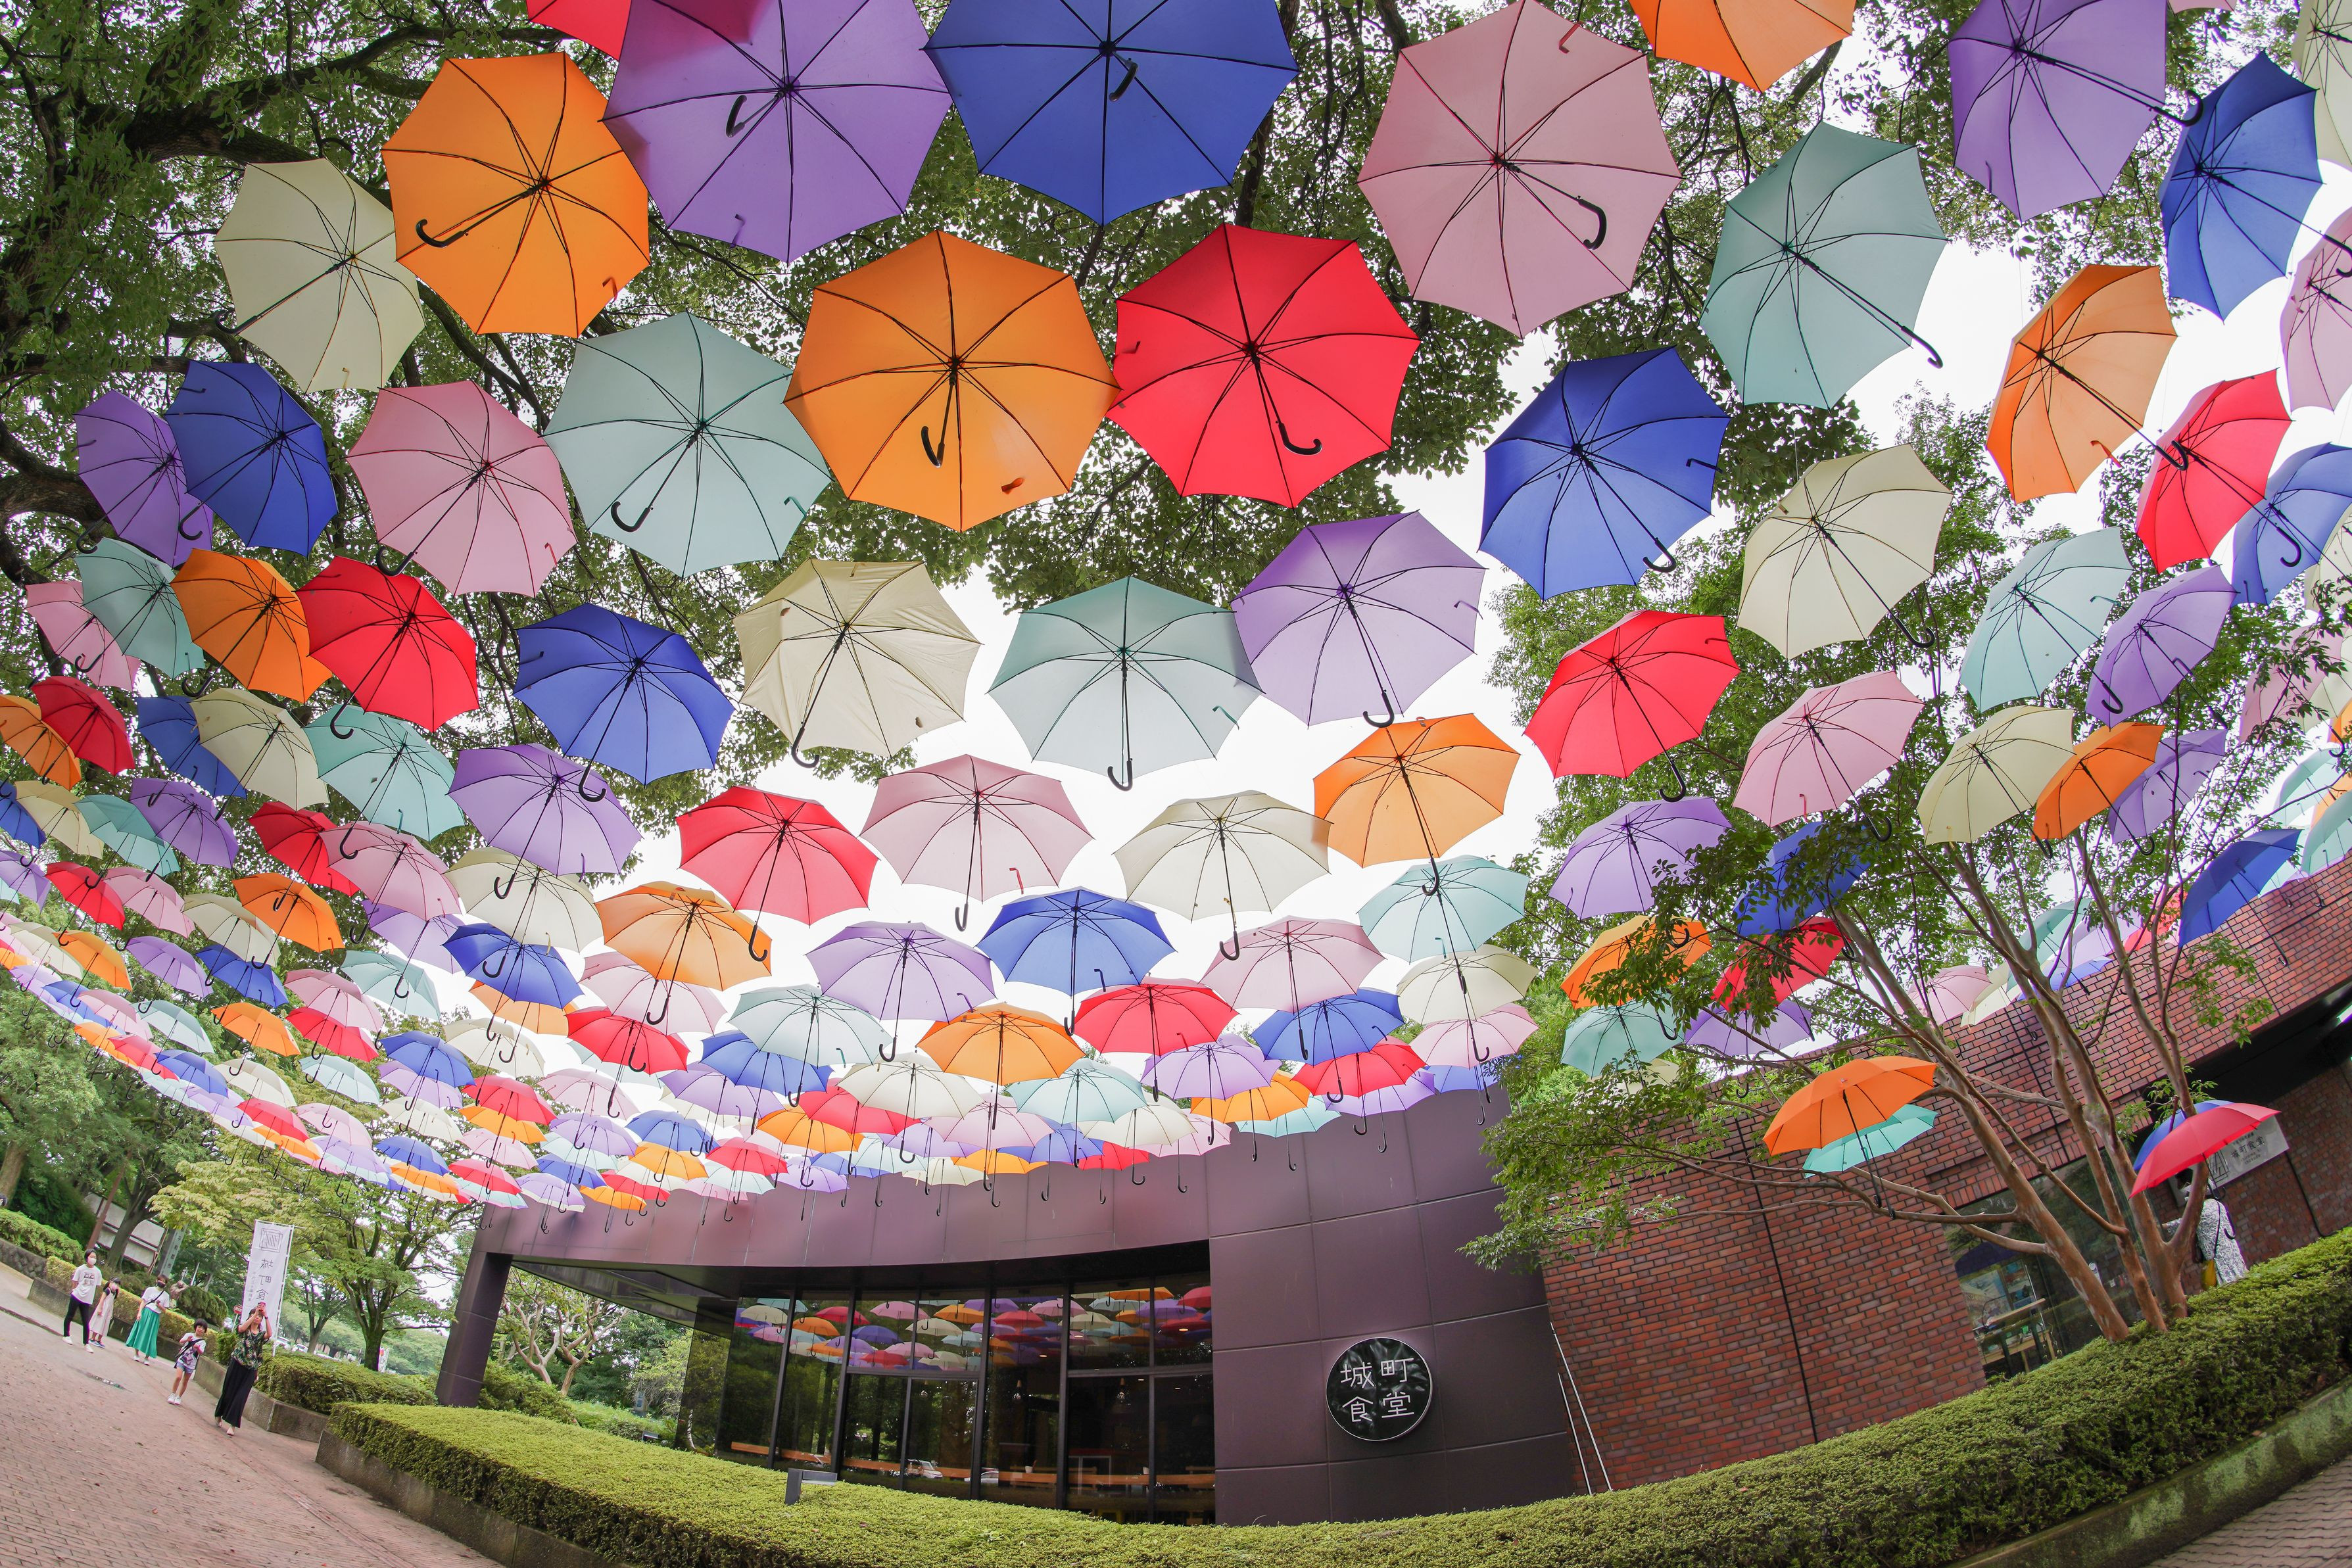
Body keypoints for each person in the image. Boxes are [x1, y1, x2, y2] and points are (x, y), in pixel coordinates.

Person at [213, 1302, 271, 1433]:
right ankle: (219, 1414)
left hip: (251, 1368)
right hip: (237, 1363)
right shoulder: (243, 1329)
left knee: (241, 1396)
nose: (257, 1317)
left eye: (259, 1316)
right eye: (255, 1315)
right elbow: (241, 1329)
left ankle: (232, 1425)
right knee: (228, 1392)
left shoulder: (261, 1335)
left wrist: (266, 1316)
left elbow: (270, 1334)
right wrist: (255, 1313)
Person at [2197, 1192, 2249, 1285]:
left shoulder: (2201, 1210)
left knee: (2228, 1285)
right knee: (2242, 1279)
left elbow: (2186, 1224)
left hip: (2219, 1260)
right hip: (2233, 1252)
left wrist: (2167, 1226)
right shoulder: (2218, 1204)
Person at [124, 1277, 170, 1364]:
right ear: (157, 1281)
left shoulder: (166, 1295)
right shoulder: (150, 1290)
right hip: (146, 1312)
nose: (162, 1282)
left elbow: (165, 1310)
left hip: (155, 1316)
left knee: (151, 1336)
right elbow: (143, 1302)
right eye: (160, 1280)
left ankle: (147, 1357)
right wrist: (139, 1313)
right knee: (140, 1332)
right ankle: (136, 1354)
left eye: (164, 1281)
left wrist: (159, 1306)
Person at [60, 1250, 99, 1345]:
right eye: (91, 1257)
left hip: (87, 1300)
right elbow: (75, 1281)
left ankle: (86, 1343)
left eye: (95, 1257)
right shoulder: (81, 1269)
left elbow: (97, 1286)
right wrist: (74, 1290)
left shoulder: (98, 1272)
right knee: (70, 1315)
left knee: (86, 1321)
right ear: (87, 1258)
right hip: (77, 1296)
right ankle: (66, 1335)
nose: (93, 1259)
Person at [168, 1319, 207, 1406]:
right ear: (196, 1327)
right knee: (178, 1377)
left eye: (203, 1329)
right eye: (199, 1327)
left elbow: (201, 1353)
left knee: (185, 1382)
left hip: (191, 1364)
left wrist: (198, 1348)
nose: (201, 1329)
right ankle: (173, 1394)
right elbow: (181, 1341)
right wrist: (187, 1340)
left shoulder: (203, 1342)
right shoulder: (189, 1335)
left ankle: (179, 1397)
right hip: (182, 1360)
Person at [86, 1278, 119, 1353]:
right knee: (98, 1323)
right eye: (116, 1283)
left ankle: (99, 1340)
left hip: (108, 1310)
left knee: (104, 1325)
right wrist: (100, 1309)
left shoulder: (114, 1292)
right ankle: (93, 1338)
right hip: (103, 1308)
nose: (116, 1286)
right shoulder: (107, 1290)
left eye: (118, 1285)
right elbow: (102, 1299)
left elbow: (112, 1302)